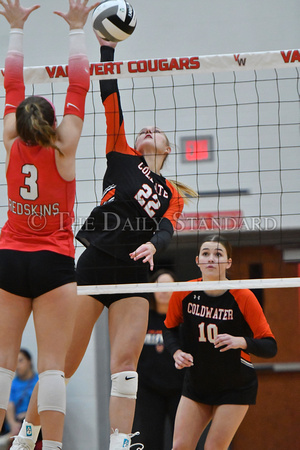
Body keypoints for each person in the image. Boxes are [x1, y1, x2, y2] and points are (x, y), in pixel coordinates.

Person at [0, 1, 97, 449]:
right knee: (52, 367)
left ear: (19, 123)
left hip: (11, 258)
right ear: (53, 124)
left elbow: (11, 84)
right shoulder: (65, 147)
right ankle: (53, 448)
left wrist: (16, 28)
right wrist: (78, 29)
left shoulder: (10, 138)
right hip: (54, 263)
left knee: (3, 365)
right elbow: (79, 85)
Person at [163, 234, 278, 450]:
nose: (211, 259)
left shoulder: (243, 296)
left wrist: (241, 341)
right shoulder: (183, 291)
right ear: (197, 261)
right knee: (179, 446)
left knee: (214, 448)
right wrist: (176, 351)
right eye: (205, 254)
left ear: (228, 262)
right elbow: (169, 328)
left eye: (218, 254)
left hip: (235, 386)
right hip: (197, 384)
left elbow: (271, 346)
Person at [133, 269, 185, 450]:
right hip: (149, 391)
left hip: (180, 390)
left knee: (183, 441)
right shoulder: (142, 318)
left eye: (169, 286)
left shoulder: (183, 321)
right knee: (150, 440)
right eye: (159, 286)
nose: (164, 291)